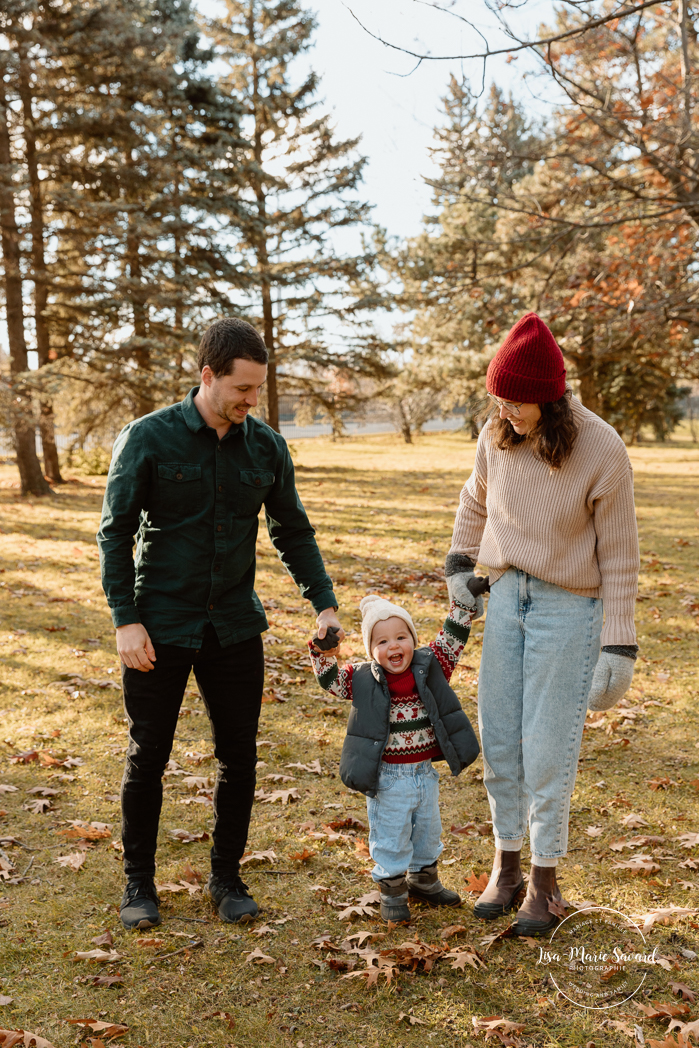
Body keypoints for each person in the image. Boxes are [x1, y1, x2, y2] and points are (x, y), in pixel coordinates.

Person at [97, 317, 343, 930]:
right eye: (242, 389)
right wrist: (125, 620)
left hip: (234, 626)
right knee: (148, 752)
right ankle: (138, 885)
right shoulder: (147, 438)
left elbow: (293, 530)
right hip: (159, 624)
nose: (251, 401)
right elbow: (115, 533)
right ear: (208, 376)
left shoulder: (265, 447)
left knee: (239, 755)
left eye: (258, 390)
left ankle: (227, 877)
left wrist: (324, 601)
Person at [445, 312, 640, 936]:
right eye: (496, 397)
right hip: (505, 597)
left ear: (549, 395)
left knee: (548, 749)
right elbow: (474, 500)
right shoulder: (495, 433)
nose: (505, 410)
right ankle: (506, 864)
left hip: (568, 607)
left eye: (517, 400)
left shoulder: (601, 446)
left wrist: (619, 641)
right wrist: (458, 564)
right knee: (501, 741)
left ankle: (545, 880)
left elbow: (620, 553)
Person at [308, 593, 479, 922]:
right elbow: (330, 682)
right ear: (371, 650)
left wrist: (463, 605)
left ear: (413, 640)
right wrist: (322, 651)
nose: (394, 646)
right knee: (391, 835)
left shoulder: (430, 665)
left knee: (427, 833)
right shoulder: (361, 679)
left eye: (402, 637)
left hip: (424, 773)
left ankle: (424, 881)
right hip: (387, 778)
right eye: (382, 641)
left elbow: (451, 640)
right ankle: (393, 892)